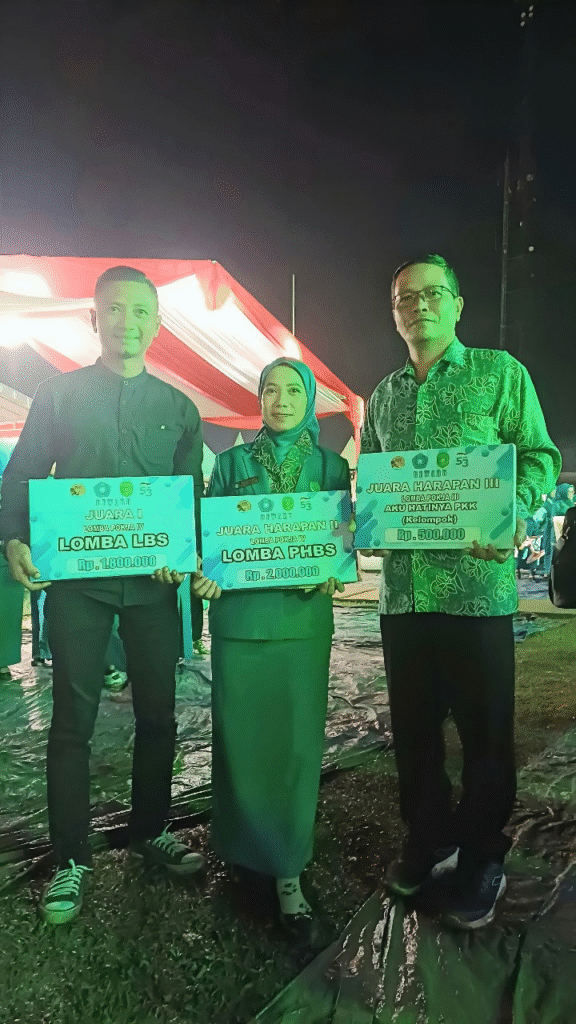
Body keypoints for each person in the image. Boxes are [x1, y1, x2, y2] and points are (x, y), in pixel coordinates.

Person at [359, 254, 561, 929]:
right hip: (404, 596)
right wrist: (370, 524)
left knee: (485, 735)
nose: (419, 306)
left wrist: (514, 510)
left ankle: (480, 855)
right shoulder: (382, 396)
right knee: (414, 734)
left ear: (457, 304)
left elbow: (540, 455)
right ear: (394, 313)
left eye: (432, 294)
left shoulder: (500, 374)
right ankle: (429, 837)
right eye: (405, 298)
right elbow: (376, 480)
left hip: (477, 592)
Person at [0, 265, 206, 926]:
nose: (127, 321)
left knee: (160, 716)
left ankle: (152, 829)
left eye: (140, 310)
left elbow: (189, 501)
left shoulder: (179, 409)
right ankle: (70, 857)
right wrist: (13, 538)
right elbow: (24, 472)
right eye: (114, 309)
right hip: (77, 588)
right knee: (72, 723)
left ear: (157, 323)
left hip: (152, 590)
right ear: (94, 318)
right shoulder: (58, 395)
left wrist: (186, 554)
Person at [194, 357, 349, 945]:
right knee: (240, 740)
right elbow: (212, 541)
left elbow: (339, 540)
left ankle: (287, 869)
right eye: (271, 390)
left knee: (295, 745)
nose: (281, 400)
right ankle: (242, 851)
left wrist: (334, 568)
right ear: (258, 398)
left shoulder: (331, 466)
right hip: (238, 623)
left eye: (293, 391)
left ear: (309, 400)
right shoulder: (230, 464)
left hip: (302, 625)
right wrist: (205, 575)